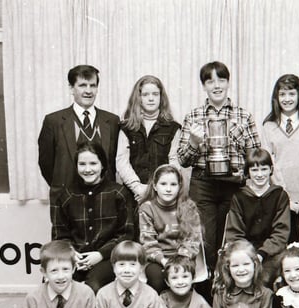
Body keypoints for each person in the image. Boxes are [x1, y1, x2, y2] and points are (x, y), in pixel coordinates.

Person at [177, 61, 261, 271]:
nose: (216, 85)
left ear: (228, 82)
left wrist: (241, 172)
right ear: (203, 85)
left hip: (233, 183)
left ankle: (226, 287)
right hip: (203, 184)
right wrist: (194, 143)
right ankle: (206, 291)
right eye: (210, 81)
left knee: (230, 238)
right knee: (204, 239)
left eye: (221, 80)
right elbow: (183, 160)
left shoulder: (244, 116)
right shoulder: (193, 116)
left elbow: (255, 157)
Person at [51, 141, 134, 293]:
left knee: (92, 286)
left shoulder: (119, 194)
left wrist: (100, 254)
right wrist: (71, 253)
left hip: (108, 257)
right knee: (58, 284)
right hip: (76, 258)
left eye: (93, 163)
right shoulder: (66, 196)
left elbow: (126, 235)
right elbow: (60, 236)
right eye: (82, 164)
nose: (87, 169)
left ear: (102, 165)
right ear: (76, 166)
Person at [38, 64, 120, 202]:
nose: (88, 91)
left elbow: (113, 162)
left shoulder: (112, 121)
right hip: (66, 200)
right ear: (71, 88)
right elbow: (46, 164)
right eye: (82, 85)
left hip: (104, 200)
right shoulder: (53, 121)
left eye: (92, 85)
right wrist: (61, 188)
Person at [116, 75, 181, 238]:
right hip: (133, 196)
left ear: (161, 97)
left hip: (162, 196)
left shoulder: (173, 128)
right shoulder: (126, 127)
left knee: (161, 240)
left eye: (155, 94)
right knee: (134, 241)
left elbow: (174, 162)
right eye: (145, 95)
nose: (151, 98)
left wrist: (158, 189)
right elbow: (121, 161)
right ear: (138, 98)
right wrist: (138, 188)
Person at [262, 74, 299, 243]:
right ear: (276, 97)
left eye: (291, 94)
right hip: (279, 200)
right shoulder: (269, 126)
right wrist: (286, 199)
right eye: (282, 94)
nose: (287, 99)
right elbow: (269, 164)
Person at [224, 148, 290, 288]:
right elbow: (235, 234)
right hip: (245, 253)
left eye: (264, 169)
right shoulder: (239, 197)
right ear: (248, 172)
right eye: (254, 170)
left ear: (271, 169)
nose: (259, 174)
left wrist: (262, 253)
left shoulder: (280, 195)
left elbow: (281, 233)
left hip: (272, 253)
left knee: (263, 280)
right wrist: (249, 255)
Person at [138, 164, 202, 294]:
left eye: (173, 185)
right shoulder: (147, 208)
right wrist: (163, 260)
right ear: (155, 186)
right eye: (163, 184)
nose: (168, 189)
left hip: (184, 256)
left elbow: (192, 239)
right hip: (157, 258)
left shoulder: (188, 207)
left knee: (181, 277)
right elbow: (148, 242)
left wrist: (180, 259)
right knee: (157, 280)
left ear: (179, 187)